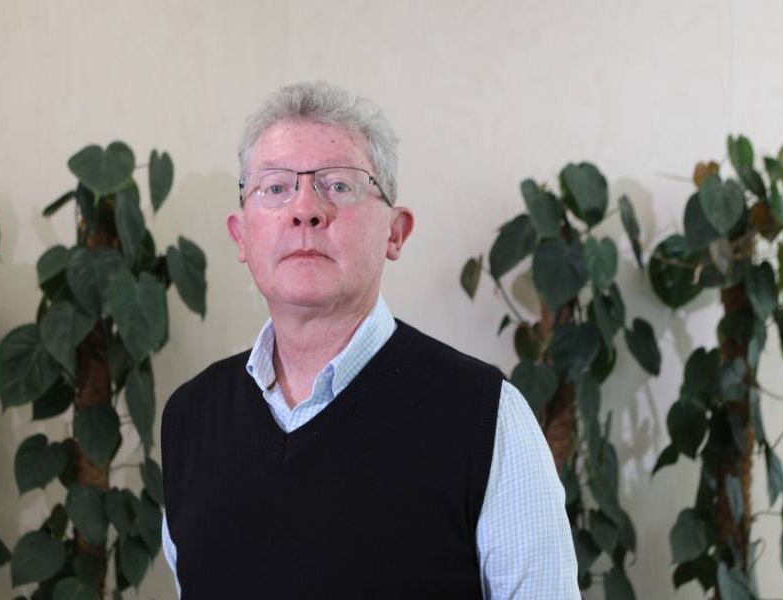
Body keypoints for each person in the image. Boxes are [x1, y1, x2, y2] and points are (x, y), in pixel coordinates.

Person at [160, 81, 579, 599]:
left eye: (339, 185)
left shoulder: (485, 418)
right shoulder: (189, 420)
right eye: (275, 187)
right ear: (241, 235)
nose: (305, 210)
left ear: (395, 233)